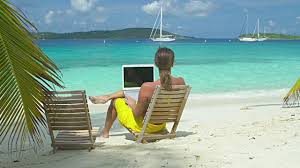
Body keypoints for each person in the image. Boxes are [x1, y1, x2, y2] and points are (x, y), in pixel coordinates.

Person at [89, 47, 186, 138]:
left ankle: (105, 132)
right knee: (128, 94)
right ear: (173, 63)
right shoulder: (181, 82)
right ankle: (106, 97)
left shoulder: (147, 87)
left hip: (144, 127)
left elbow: (137, 114)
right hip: (161, 126)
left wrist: (132, 104)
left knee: (116, 101)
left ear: (156, 63)